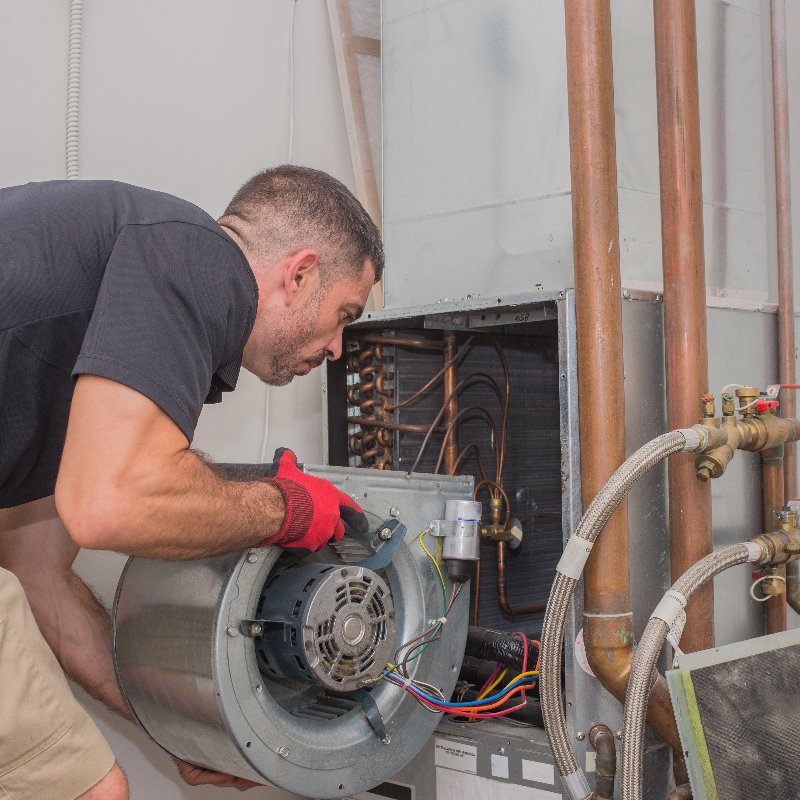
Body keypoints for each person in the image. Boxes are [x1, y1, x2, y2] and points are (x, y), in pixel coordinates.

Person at [0, 165, 384, 799]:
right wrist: (287, 508)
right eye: (344, 314)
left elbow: (36, 572)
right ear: (300, 273)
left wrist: (177, 728)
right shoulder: (198, 255)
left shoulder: (113, 297)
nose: (339, 347)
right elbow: (110, 504)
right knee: (89, 791)